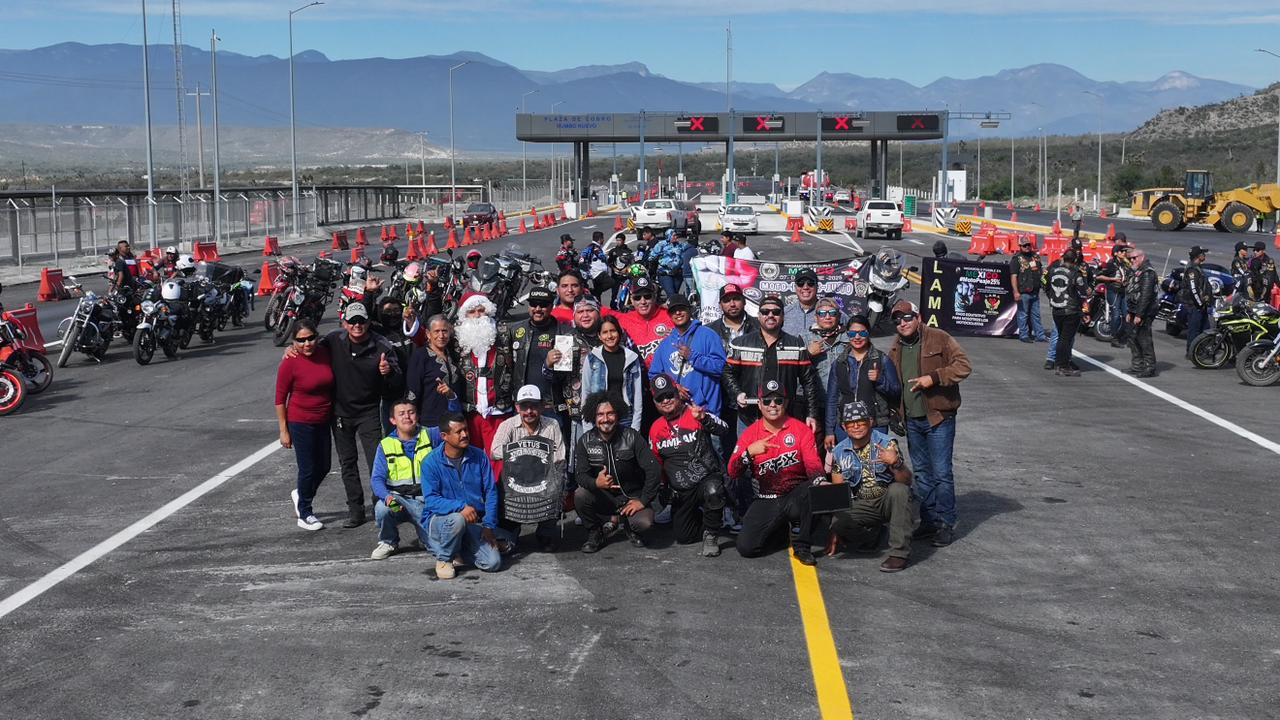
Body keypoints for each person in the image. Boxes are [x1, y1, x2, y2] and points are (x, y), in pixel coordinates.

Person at [303, 302, 403, 528]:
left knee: (376, 462)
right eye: (352, 321)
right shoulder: (333, 340)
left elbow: (398, 380)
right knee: (347, 463)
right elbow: (308, 349)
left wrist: (388, 373)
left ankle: (381, 506)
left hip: (368, 411)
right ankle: (355, 511)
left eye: (361, 321)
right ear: (344, 323)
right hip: (340, 413)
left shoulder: (381, 346)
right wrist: (291, 350)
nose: (357, 325)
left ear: (368, 322)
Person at [886, 300, 970, 547]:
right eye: (898, 320)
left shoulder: (939, 337)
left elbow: (964, 366)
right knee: (922, 473)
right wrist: (895, 413)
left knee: (942, 473)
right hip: (912, 420)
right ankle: (930, 521)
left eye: (908, 317)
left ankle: (946, 522)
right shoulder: (896, 347)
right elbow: (893, 383)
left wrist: (934, 378)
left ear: (918, 317)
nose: (903, 323)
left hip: (938, 418)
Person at [728, 380, 827, 565]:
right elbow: (733, 472)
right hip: (767, 497)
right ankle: (779, 532)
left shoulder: (801, 430)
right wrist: (749, 453)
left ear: (786, 403)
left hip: (795, 496)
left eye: (778, 400)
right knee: (746, 548)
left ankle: (802, 545)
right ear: (759, 404)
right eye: (766, 401)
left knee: (814, 488)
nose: (772, 405)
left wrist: (820, 481)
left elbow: (813, 463)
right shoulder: (750, 434)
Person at [825, 401, 915, 572]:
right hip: (862, 503)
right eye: (851, 423)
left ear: (871, 422)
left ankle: (899, 553)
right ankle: (872, 534)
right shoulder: (838, 452)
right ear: (844, 427)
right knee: (838, 522)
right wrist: (835, 529)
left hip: (887, 500)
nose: (857, 426)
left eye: (862, 421)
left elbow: (907, 481)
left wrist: (896, 464)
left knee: (900, 490)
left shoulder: (887, 444)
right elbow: (839, 493)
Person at [648, 373, 730, 557]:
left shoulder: (695, 413)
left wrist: (704, 419)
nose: (666, 400)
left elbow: (724, 429)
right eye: (660, 398)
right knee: (684, 536)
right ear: (655, 402)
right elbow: (657, 463)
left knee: (713, 491)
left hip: (705, 480)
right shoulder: (655, 428)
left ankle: (712, 533)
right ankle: (710, 516)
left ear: (678, 394)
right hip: (682, 490)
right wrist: (663, 488)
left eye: (669, 395)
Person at [420, 412, 510, 579]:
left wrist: (489, 525)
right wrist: (461, 507)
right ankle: (444, 558)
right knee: (457, 520)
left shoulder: (479, 456)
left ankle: (459, 549)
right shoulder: (430, 462)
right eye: (459, 432)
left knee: (494, 562)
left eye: (466, 430)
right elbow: (431, 501)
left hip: (473, 521)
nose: (465, 435)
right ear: (444, 436)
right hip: (442, 521)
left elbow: (490, 491)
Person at [573, 392, 662, 553]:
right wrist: (596, 483)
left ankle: (631, 527)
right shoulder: (585, 441)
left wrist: (642, 500)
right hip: (604, 499)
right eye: (600, 414)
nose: (605, 419)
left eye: (610, 413)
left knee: (645, 524)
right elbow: (580, 475)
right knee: (580, 494)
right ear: (593, 416)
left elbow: (654, 470)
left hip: (632, 498)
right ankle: (595, 532)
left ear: (618, 414)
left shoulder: (632, 436)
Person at [725, 295, 821, 434]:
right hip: (750, 417)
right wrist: (737, 393)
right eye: (765, 312)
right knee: (748, 455)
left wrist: (812, 414)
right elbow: (727, 372)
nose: (770, 315)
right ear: (758, 316)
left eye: (776, 312)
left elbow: (808, 380)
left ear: (783, 317)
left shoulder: (796, 344)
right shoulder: (740, 343)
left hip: (785, 417)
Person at [490, 385, 567, 552]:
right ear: (517, 407)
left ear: (541, 406)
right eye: (525, 406)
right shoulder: (507, 425)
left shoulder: (552, 424)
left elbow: (560, 456)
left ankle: (545, 533)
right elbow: (494, 451)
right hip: (515, 480)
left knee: (557, 485)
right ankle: (510, 531)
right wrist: (523, 451)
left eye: (533, 406)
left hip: (543, 479)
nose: (529, 411)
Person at [274, 318, 333, 531]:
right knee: (307, 469)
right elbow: (280, 399)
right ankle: (305, 512)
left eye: (310, 338)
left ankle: (301, 492)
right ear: (294, 342)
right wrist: (284, 430)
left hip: (323, 419)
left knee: (324, 466)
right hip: (300, 421)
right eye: (300, 340)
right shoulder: (290, 362)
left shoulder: (325, 352)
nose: (306, 344)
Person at [369, 399, 442, 560]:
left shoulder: (430, 435)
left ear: (418, 416)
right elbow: (376, 479)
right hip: (398, 504)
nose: (407, 417)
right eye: (401, 414)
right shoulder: (386, 445)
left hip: (425, 502)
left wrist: (451, 399)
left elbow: (451, 424)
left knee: (439, 548)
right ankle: (388, 541)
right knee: (382, 508)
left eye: (411, 412)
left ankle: (426, 537)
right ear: (393, 420)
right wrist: (387, 497)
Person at [825, 314, 902, 448]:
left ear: (868, 333)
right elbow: (832, 399)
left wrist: (880, 381)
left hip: (875, 424)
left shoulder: (882, 359)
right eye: (853, 333)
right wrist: (830, 431)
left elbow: (896, 392)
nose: (857, 337)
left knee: (875, 465)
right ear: (847, 335)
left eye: (862, 333)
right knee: (847, 465)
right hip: (845, 425)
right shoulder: (839, 363)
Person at [455, 293, 514, 456]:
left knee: (498, 457)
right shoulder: (458, 338)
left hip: (499, 412)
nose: (477, 316)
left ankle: (495, 483)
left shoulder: (505, 334)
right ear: (464, 316)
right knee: (471, 456)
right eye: (472, 312)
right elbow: (430, 338)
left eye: (481, 310)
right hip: (470, 413)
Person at [648, 293, 726, 416]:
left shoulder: (708, 335)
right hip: (677, 412)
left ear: (690, 310)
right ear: (669, 315)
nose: (678, 313)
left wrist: (692, 357)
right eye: (673, 311)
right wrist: (673, 386)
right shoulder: (665, 344)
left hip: (706, 410)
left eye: (681, 309)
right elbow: (654, 375)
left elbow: (720, 367)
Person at [509, 287, 568, 422]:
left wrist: (549, 366)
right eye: (533, 304)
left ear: (552, 306)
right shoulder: (515, 330)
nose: (537, 309)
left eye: (543, 305)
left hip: (550, 406)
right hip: (523, 405)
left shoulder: (564, 333)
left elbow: (565, 377)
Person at [583, 315, 644, 429]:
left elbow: (637, 396)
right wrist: (587, 428)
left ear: (619, 333)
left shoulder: (631, 358)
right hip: (600, 416)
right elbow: (586, 393)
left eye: (613, 331)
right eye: (605, 332)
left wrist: (635, 426)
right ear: (599, 336)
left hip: (625, 416)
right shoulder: (592, 358)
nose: (609, 336)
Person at [405, 314, 462, 431]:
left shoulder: (453, 354)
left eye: (444, 331)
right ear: (428, 334)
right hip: (430, 423)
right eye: (436, 331)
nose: (441, 336)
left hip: (454, 421)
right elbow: (413, 389)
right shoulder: (420, 356)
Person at [1046, 248, 1090, 377]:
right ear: (1075, 260)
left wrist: (1053, 298)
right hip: (1070, 311)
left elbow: (1045, 285)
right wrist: (1084, 311)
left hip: (1056, 309)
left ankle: (1061, 363)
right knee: (1066, 339)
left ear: (1063, 258)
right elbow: (1083, 292)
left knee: (1061, 338)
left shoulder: (1053, 270)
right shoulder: (1075, 273)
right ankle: (1063, 365)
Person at [614, 276, 673, 366]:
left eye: (647, 296)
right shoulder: (623, 320)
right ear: (631, 300)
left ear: (654, 297)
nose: (643, 301)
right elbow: (595, 310)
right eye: (637, 298)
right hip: (637, 375)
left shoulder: (670, 315)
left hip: (667, 373)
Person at [1124, 249, 1159, 377]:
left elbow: (1145, 296)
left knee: (1144, 339)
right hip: (1135, 309)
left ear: (1142, 257)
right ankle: (1137, 365)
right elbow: (1132, 292)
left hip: (1145, 311)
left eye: (1134, 258)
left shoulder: (1148, 272)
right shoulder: (1137, 271)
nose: (1132, 260)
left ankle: (1150, 367)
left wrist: (1139, 314)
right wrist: (1130, 311)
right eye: (1130, 259)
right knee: (1133, 338)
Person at [1010, 236, 1048, 343]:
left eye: (1028, 245)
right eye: (1024, 245)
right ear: (1020, 246)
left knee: (1036, 315)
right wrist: (1016, 291)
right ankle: (1024, 335)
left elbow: (1041, 271)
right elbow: (1013, 276)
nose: (1027, 247)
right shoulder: (1016, 259)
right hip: (1023, 292)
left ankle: (1040, 335)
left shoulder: (1035, 257)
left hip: (1035, 291)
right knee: (1023, 314)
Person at [1097, 240, 1132, 345]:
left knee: (1127, 315)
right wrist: (1113, 279)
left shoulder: (1125, 264)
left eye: (1125, 252)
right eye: (1122, 251)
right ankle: (1114, 337)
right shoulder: (1111, 264)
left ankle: (1121, 335)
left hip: (1123, 291)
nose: (1124, 253)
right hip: (1113, 291)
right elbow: (1099, 276)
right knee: (1116, 314)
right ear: (1116, 253)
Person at [1181, 246, 1212, 358]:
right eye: (1203, 253)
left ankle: (1202, 350)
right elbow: (1193, 289)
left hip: (1200, 305)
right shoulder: (1192, 270)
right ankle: (1191, 352)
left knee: (1206, 328)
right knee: (1194, 330)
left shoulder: (1198, 268)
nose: (1205, 255)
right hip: (1194, 305)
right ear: (1198, 256)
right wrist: (1199, 304)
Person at [782, 268, 821, 338]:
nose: (805, 287)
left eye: (810, 283)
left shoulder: (831, 314)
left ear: (817, 286)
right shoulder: (784, 313)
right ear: (795, 287)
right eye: (800, 283)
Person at [650, 230, 686, 299]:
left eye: (676, 235)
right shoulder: (661, 245)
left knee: (675, 293)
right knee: (671, 293)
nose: (676, 237)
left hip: (677, 273)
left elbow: (684, 256)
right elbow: (651, 256)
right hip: (665, 273)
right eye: (674, 235)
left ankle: (673, 307)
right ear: (668, 236)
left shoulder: (680, 245)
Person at [580, 231, 613, 301]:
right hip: (598, 272)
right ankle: (593, 292)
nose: (603, 240)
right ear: (600, 239)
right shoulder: (592, 247)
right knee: (611, 282)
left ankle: (598, 307)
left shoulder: (595, 247)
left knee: (598, 296)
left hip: (595, 273)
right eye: (603, 238)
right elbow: (583, 257)